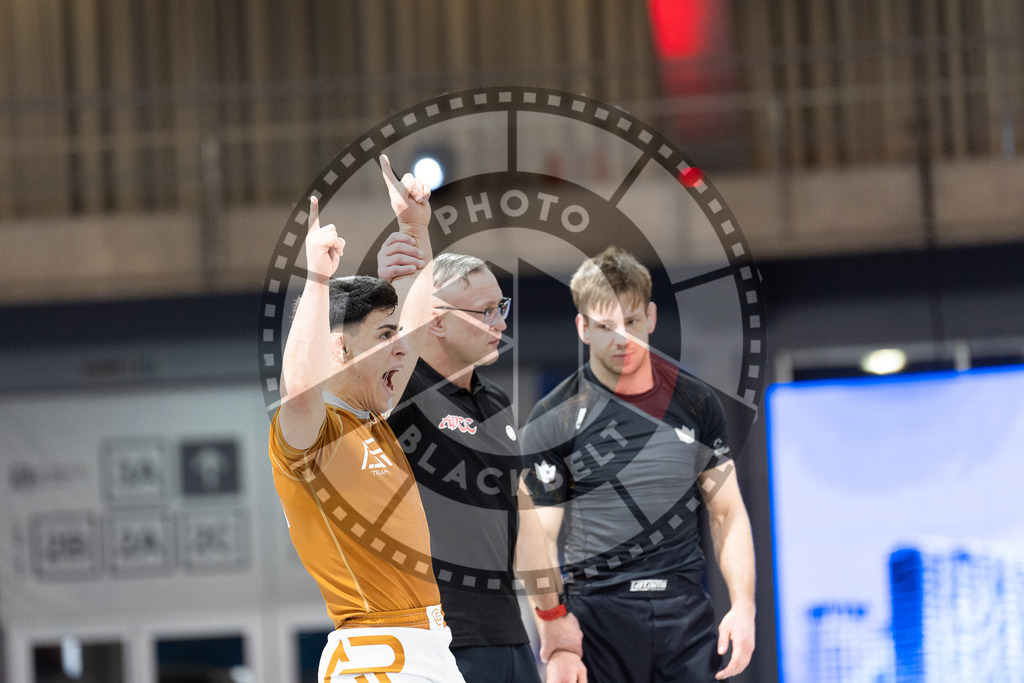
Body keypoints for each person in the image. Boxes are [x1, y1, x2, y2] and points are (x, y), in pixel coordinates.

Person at [267, 154, 467, 682]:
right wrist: (315, 278)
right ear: (340, 349)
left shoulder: (372, 417)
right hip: (377, 655)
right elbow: (298, 392)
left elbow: (419, 325)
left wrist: (415, 227)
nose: (402, 352)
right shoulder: (311, 433)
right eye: (384, 338)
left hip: (428, 645)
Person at [520, 246, 756, 682]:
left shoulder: (697, 403)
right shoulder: (554, 419)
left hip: (683, 614)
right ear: (583, 328)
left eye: (631, 322)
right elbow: (537, 538)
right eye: (606, 326)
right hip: (597, 618)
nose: (622, 339)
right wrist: (554, 632)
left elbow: (728, 513)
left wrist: (744, 606)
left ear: (650, 317)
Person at [380, 250, 584, 683]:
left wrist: (551, 616)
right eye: (486, 311)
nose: (501, 323)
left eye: (501, 308)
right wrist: (411, 242)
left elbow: (522, 516)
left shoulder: (496, 402)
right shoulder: (399, 391)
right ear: (436, 320)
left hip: (508, 637)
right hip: (438, 642)